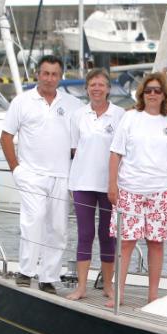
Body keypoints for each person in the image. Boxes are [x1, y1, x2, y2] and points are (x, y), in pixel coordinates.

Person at [0, 55, 82, 293]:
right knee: (33, 222)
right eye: (45, 73)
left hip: (62, 175)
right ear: (38, 74)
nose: (49, 78)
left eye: (54, 74)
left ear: (60, 77)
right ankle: (26, 271)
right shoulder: (22, 102)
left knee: (58, 228)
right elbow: (6, 137)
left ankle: (48, 277)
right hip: (31, 174)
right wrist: (15, 168)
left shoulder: (72, 105)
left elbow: (79, 142)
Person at [107, 72, 167, 307]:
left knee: (155, 242)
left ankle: (152, 295)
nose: (153, 94)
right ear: (142, 93)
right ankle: (119, 293)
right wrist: (112, 185)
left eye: (157, 90)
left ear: (164, 95)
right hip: (130, 189)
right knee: (126, 242)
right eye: (148, 90)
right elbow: (115, 154)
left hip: (161, 191)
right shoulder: (130, 118)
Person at [65, 69, 125, 301]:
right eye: (92, 84)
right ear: (87, 88)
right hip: (82, 182)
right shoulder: (77, 115)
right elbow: (74, 148)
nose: (97, 88)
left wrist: (116, 183)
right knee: (85, 233)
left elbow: (122, 151)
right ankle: (81, 287)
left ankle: (108, 286)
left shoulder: (120, 115)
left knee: (107, 235)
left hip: (110, 184)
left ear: (108, 88)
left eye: (101, 84)